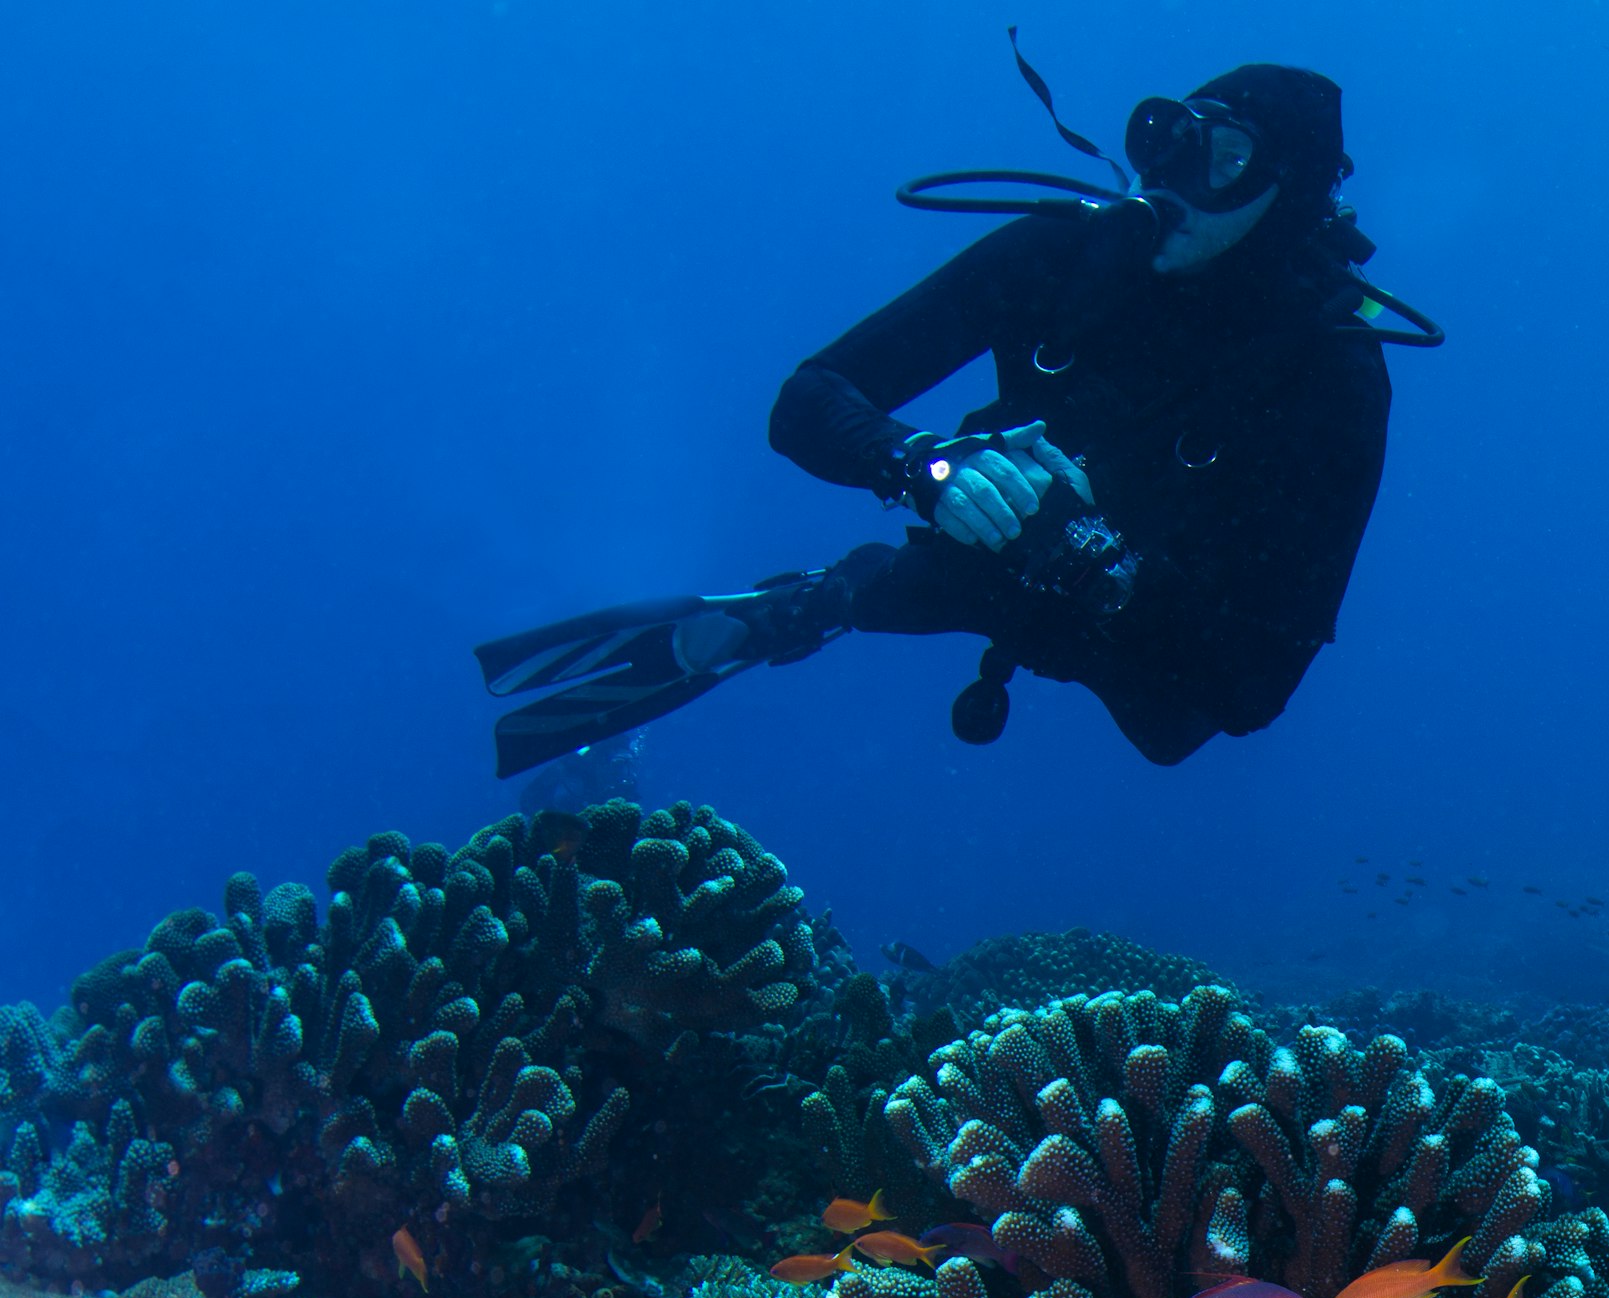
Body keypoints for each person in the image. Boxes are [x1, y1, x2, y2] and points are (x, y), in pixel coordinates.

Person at [479, 64, 1409, 774]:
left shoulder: (1332, 376)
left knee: (1173, 729)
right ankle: (824, 601)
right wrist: (920, 462)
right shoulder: (1062, 257)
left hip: (1161, 635)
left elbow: (1252, 691)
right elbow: (809, 399)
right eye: (1164, 142)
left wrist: (1092, 559)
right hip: (985, 541)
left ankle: (855, 591)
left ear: (1289, 190)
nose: (1169, 182)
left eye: (1224, 158)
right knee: (943, 572)